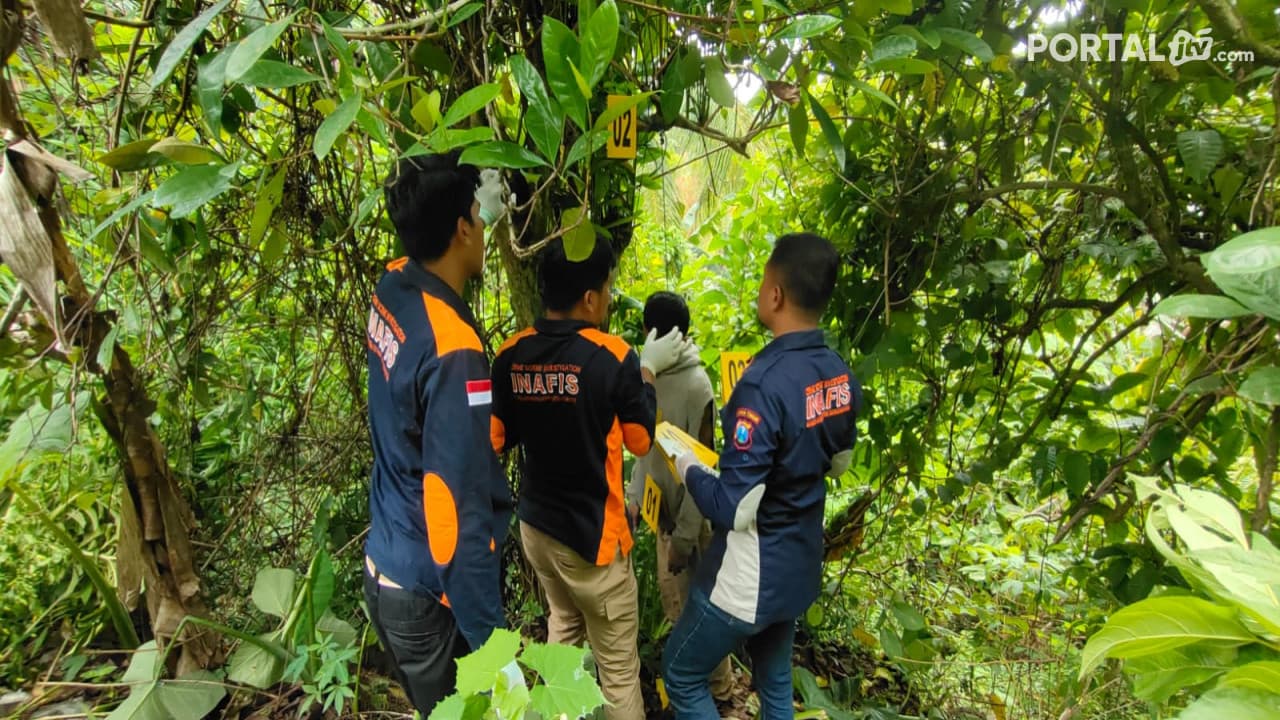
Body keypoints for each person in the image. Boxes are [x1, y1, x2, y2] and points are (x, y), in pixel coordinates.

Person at [662, 233, 861, 720]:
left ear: (776, 294)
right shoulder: (837, 372)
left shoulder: (761, 381)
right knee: (774, 683)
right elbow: (840, 462)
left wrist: (687, 466)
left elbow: (737, 505)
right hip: (798, 566)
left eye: (763, 282)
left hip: (751, 573)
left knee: (683, 674)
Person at [490, 237, 687, 720]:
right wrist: (647, 368)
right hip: (592, 542)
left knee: (563, 630)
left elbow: (496, 438)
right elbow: (641, 441)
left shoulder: (511, 353)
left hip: (537, 529)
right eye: (608, 285)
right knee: (618, 672)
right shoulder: (613, 357)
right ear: (591, 298)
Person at [363, 152, 513, 715]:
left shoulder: (393, 285)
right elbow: (455, 521)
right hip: (429, 593)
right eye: (477, 212)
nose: (482, 220)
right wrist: (495, 651)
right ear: (461, 228)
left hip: (388, 564)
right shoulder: (455, 353)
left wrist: (477, 208)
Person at [624, 291, 736, 702]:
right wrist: (635, 497)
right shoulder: (646, 379)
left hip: (692, 524)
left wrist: (686, 538)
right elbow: (644, 448)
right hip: (663, 517)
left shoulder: (696, 384)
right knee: (679, 611)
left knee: (702, 612)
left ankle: (720, 696)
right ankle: (695, 696)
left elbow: (703, 466)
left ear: (648, 332)